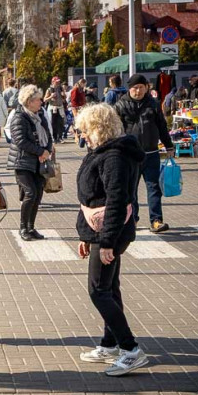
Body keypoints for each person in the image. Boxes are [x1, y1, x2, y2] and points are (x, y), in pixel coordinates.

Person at [73, 103, 148, 376]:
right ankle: (110, 343)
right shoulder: (102, 152)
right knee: (110, 288)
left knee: (99, 290)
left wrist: (105, 242)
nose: (82, 136)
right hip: (101, 230)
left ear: (98, 128)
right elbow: (90, 198)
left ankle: (131, 349)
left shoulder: (114, 156)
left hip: (110, 232)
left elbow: (117, 201)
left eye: (85, 131)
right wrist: (87, 235)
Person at [113, 74, 175, 233]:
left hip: (151, 153)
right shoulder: (120, 105)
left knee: (154, 188)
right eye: (135, 87)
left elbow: (162, 127)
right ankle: (132, 220)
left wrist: (169, 145)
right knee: (130, 190)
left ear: (146, 87)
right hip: (130, 155)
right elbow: (115, 130)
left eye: (141, 87)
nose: (138, 91)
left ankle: (156, 220)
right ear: (129, 88)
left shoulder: (153, 104)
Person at [7, 85, 53, 242]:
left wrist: (46, 150)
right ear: (29, 101)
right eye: (38, 99)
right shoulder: (19, 117)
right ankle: (23, 228)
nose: (41, 102)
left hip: (39, 162)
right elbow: (20, 141)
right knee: (30, 193)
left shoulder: (40, 115)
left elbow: (48, 135)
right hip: (22, 162)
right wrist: (40, 152)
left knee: (38, 194)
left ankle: (31, 227)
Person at [44, 77, 68, 141]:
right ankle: (54, 137)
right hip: (53, 108)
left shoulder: (60, 88)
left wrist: (64, 95)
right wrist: (51, 96)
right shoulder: (49, 89)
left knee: (60, 123)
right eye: (56, 82)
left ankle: (60, 137)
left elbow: (64, 98)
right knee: (53, 123)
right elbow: (45, 100)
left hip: (60, 107)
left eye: (58, 82)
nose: (58, 83)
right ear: (53, 82)